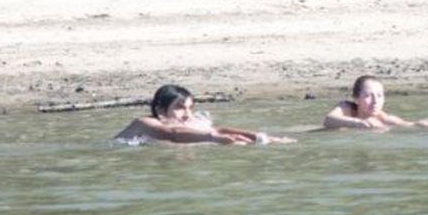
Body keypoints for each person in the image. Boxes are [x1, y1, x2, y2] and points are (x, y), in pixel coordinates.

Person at [114, 84, 295, 144]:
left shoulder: (188, 125)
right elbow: (170, 134)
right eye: (180, 107)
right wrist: (213, 137)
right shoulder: (144, 123)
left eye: (190, 108)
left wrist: (260, 137)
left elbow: (219, 129)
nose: (187, 115)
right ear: (160, 110)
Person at [322, 75, 428, 131]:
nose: (375, 101)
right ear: (356, 98)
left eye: (380, 95)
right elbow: (328, 120)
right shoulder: (346, 108)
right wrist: (358, 123)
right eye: (368, 96)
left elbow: (413, 124)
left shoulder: (383, 118)